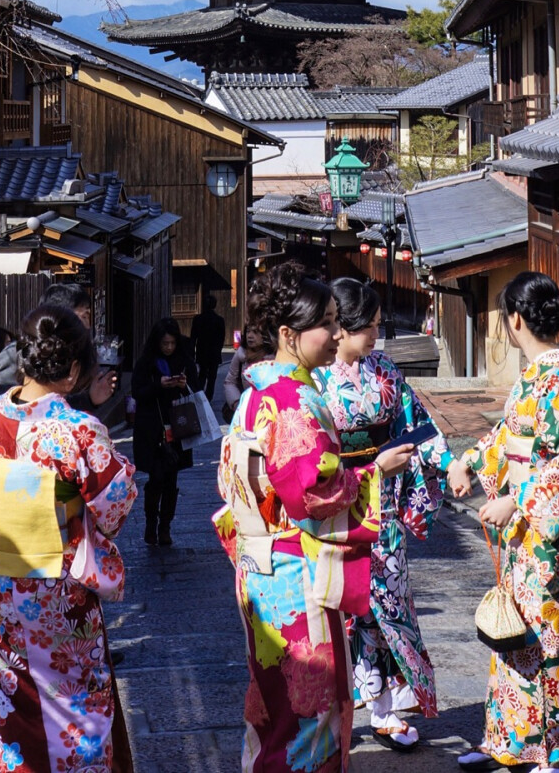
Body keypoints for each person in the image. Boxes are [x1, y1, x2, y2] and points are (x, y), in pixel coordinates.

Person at [215, 261, 415, 773]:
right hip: (294, 570)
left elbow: (231, 482)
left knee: (273, 707)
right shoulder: (295, 399)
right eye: (326, 323)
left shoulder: (256, 392)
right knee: (310, 711)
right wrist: (374, 472)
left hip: (259, 566)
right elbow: (313, 496)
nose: (335, 334)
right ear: (288, 334)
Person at [0, 302, 137, 773]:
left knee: (13, 697)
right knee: (75, 699)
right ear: (74, 369)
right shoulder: (77, 430)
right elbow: (114, 506)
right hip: (56, 587)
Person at [447, 272, 559, 773]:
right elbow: (509, 437)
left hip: (552, 530)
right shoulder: (540, 376)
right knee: (517, 633)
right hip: (528, 528)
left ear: (515, 319)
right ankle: (514, 740)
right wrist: (470, 460)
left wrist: (515, 500)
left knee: (551, 634)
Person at [313, 278, 451, 751]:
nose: (375, 336)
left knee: (385, 605)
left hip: (384, 504)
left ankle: (385, 708)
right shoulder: (313, 379)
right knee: (336, 606)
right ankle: (333, 710)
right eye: (367, 327)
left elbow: (416, 424)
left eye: (377, 326)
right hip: (334, 505)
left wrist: (450, 467)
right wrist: (367, 467)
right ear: (340, 327)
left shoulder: (385, 370)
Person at [0, 281, 118, 411]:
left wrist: (90, 399)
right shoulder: (16, 353)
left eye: (87, 316)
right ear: (54, 316)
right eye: (82, 317)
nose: (87, 325)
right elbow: (2, 409)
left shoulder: (77, 354)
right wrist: (87, 400)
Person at [131, 318, 199, 547]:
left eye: (172, 343)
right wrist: (158, 385)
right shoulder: (146, 363)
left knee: (171, 479)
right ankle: (151, 523)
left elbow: (196, 390)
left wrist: (183, 385)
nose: (168, 348)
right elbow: (137, 393)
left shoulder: (184, 361)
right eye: (164, 343)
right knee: (155, 478)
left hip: (178, 427)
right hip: (152, 429)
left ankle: (165, 527)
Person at [221, 325, 266, 421]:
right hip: (245, 410)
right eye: (248, 331)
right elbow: (230, 382)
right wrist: (237, 403)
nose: (250, 336)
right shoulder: (241, 354)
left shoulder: (276, 357)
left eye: (255, 332)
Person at [190, 292, 226, 400]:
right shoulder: (219, 320)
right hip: (214, 352)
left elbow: (193, 337)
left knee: (202, 374)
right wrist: (219, 349)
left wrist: (192, 351)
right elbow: (221, 338)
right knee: (212, 376)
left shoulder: (198, 319)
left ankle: (200, 396)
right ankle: (209, 396)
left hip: (202, 350)